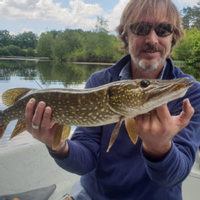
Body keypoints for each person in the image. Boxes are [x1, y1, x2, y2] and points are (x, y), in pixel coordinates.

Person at [25, 0, 200, 199]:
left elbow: (174, 177)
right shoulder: (99, 82)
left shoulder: (191, 92)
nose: (152, 38)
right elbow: (86, 161)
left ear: (173, 37)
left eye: (163, 29)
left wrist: (160, 148)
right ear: (126, 35)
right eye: (141, 28)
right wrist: (57, 145)